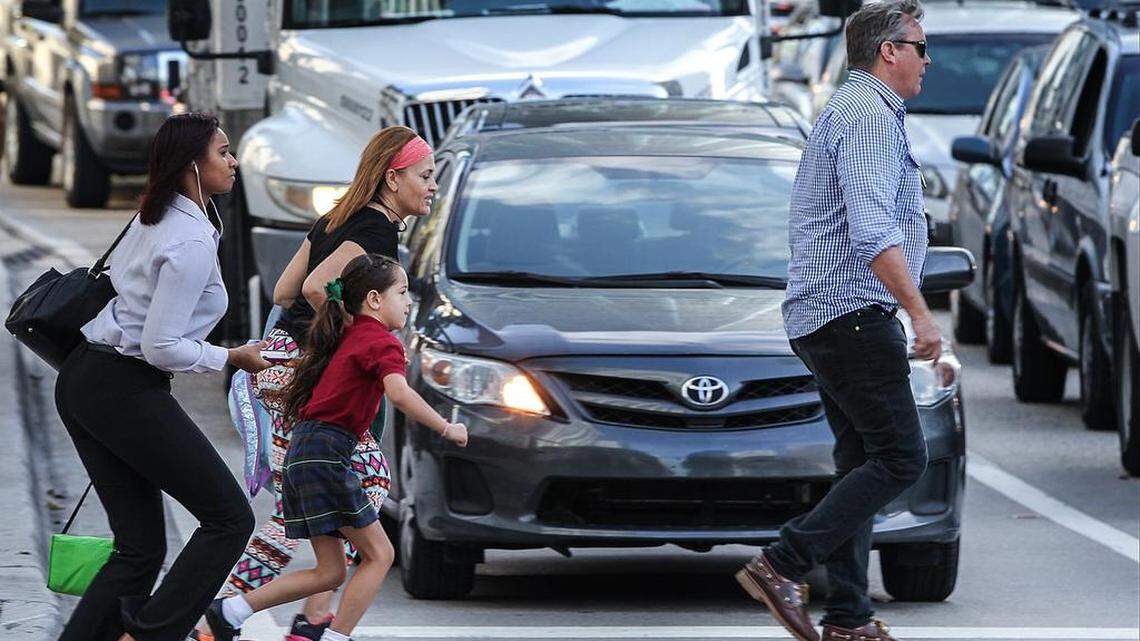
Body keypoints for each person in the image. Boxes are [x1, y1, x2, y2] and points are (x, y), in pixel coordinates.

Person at [734, 2, 936, 641]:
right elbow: (875, 230)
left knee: (861, 462)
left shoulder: (851, 110)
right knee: (903, 457)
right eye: (920, 46)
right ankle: (783, 562)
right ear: (888, 51)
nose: (927, 60)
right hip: (851, 314)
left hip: (829, 315)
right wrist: (921, 315)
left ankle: (847, 616)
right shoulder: (870, 118)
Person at [197, 126, 438, 641]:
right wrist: (348, 342)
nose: (433, 186)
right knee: (312, 503)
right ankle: (227, 615)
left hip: (280, 364)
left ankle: (306, 613)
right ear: (394, 179)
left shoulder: (337, 215)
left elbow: (284, 290)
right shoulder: (376, 232)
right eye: (426, 175)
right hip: (299, 375)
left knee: (354, 486)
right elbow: (309, 288)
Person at [54, 113, 270, 641]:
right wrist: (230, 357)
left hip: (87, 379)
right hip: (121, 387)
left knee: (140, 549)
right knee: (229, 519)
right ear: (193, 166)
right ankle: (153, 633)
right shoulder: (189, 241)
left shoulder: (158, 215)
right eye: (223, 152)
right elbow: (160, 345)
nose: (233, 161)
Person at [203, 254, 469, 641]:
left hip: (303, 454)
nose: (410, 301)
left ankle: (230, 611)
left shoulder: (346, 336)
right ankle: (335, 636)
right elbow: (399, 392)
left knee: (330, 572)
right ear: (375, 300)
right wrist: (447, 428)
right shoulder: (381, 342)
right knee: (381, 555)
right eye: (403, 292)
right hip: (328, 455)